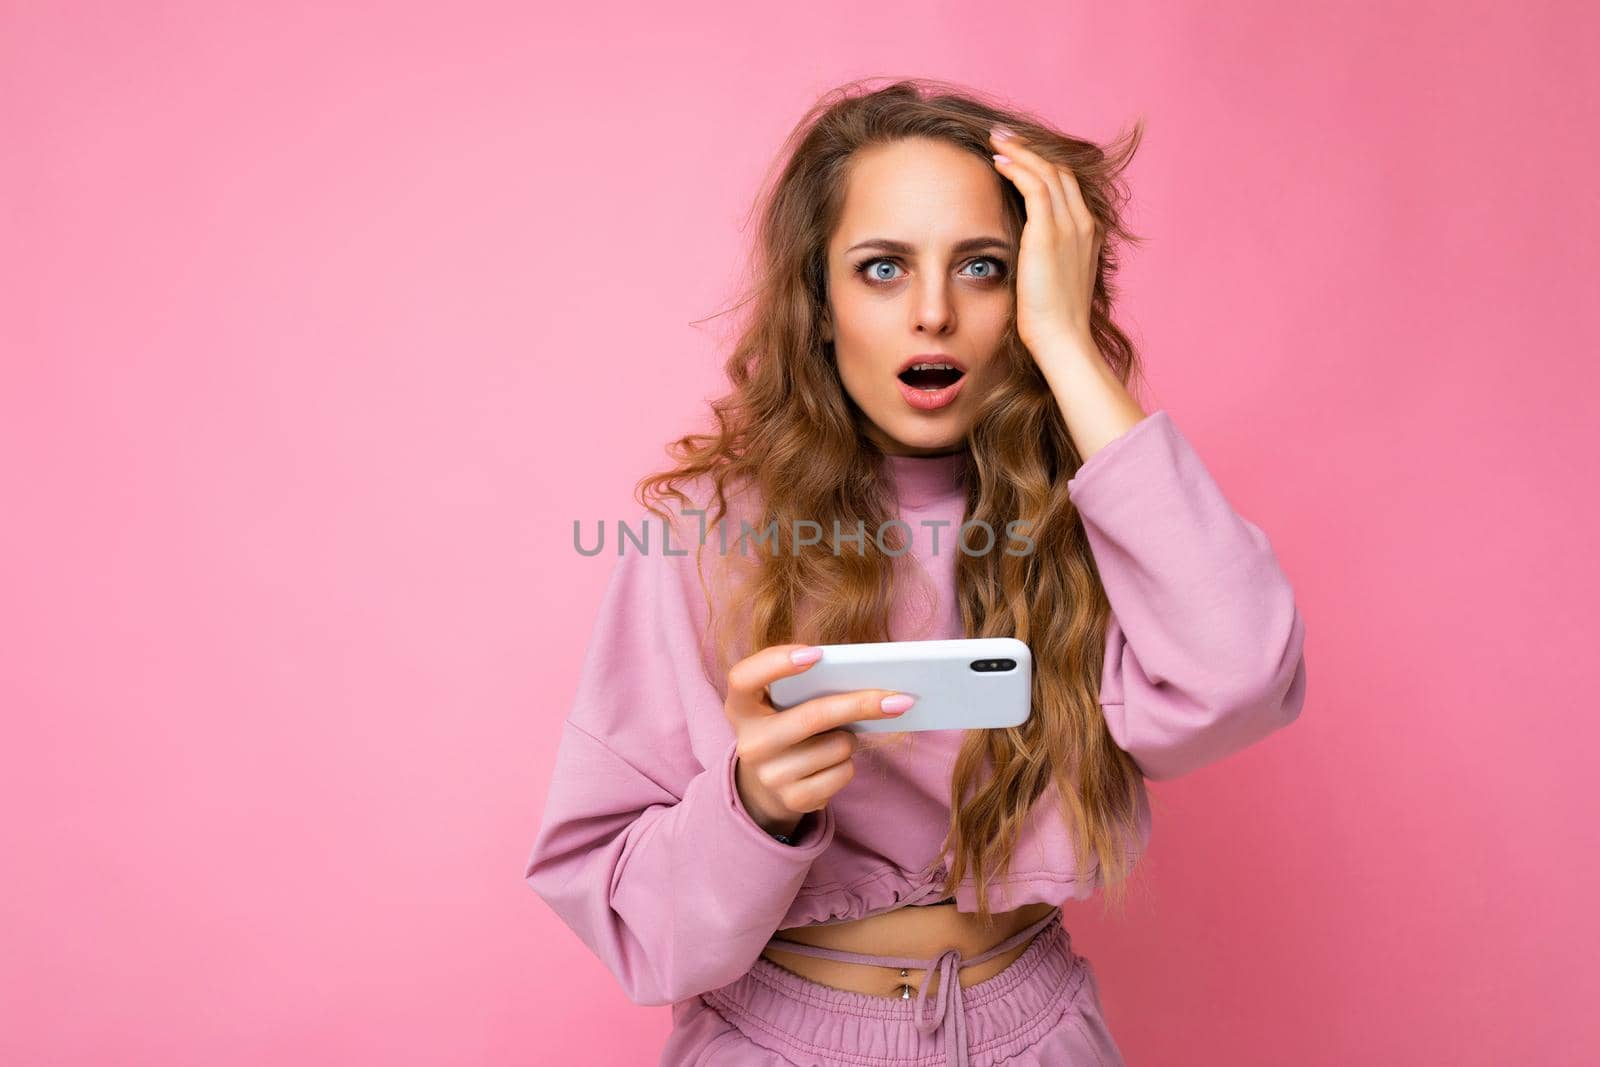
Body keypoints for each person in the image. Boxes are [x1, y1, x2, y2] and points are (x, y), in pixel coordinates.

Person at [524, 77, 1308, 1066]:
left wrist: (1065, 346)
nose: (932, 312)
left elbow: (1239, 674)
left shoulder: (1104, 515)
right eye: (882, 267)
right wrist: (754, 800)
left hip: (1038, 1026)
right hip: (778, 1036)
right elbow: (633, 926)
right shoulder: (704, 534)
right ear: (818, 301)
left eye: (982, 267)